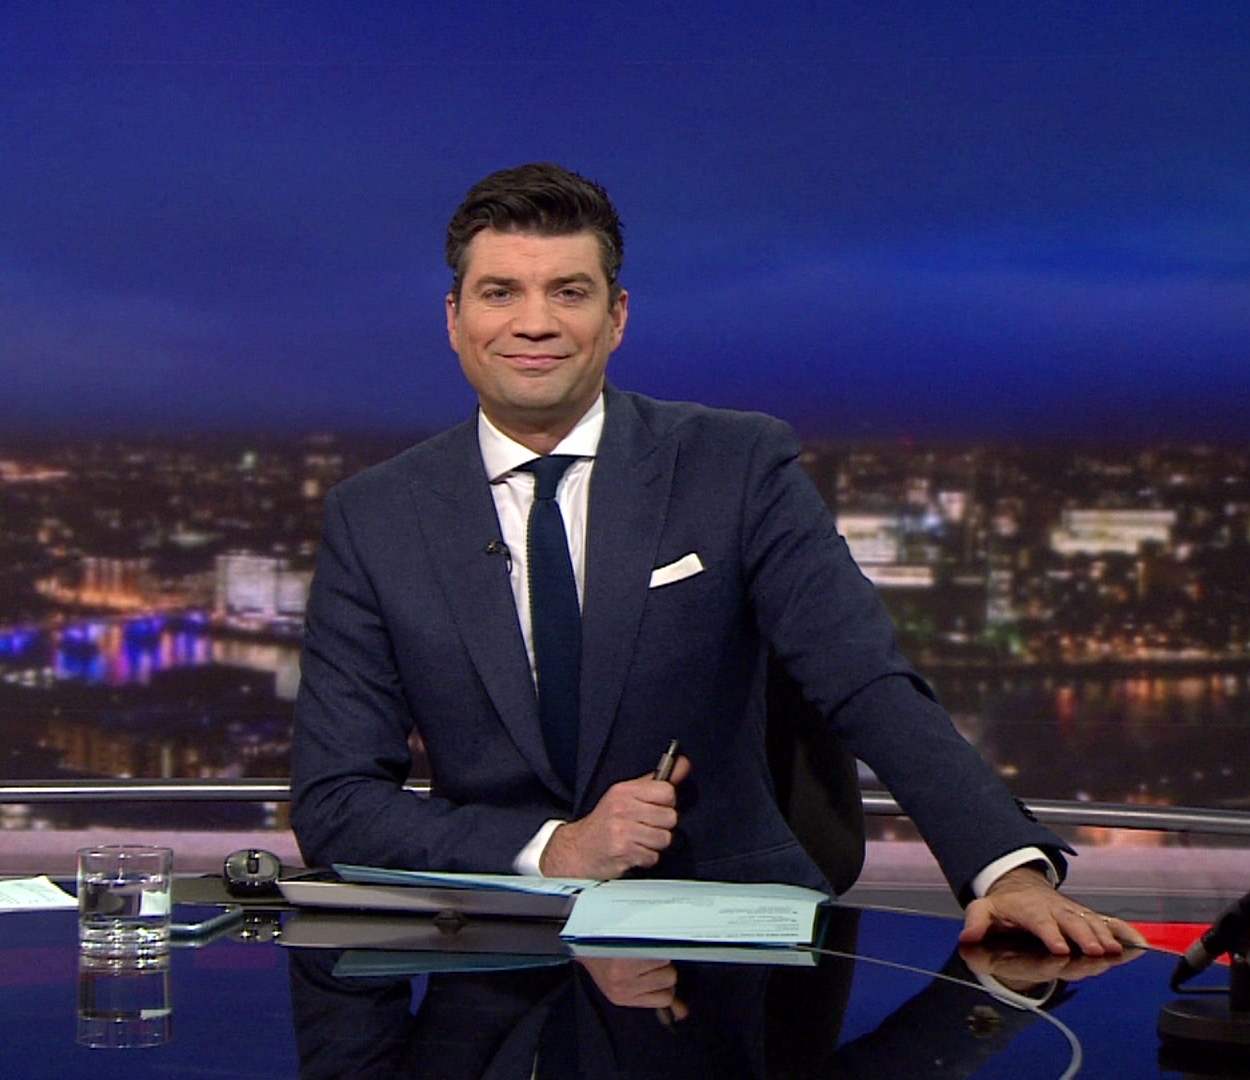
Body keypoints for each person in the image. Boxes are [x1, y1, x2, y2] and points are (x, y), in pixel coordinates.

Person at [290, 162, 1145, 956]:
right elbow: (335, 804)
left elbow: (865, 681)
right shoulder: (377, 517)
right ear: (453, 319)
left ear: (617, 316)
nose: (536, 322)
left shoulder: (734, 467)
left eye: (570, 291)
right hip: (487, 953)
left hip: (732, 951)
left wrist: (1005, 864)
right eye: (500, 292)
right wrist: (556, 847)